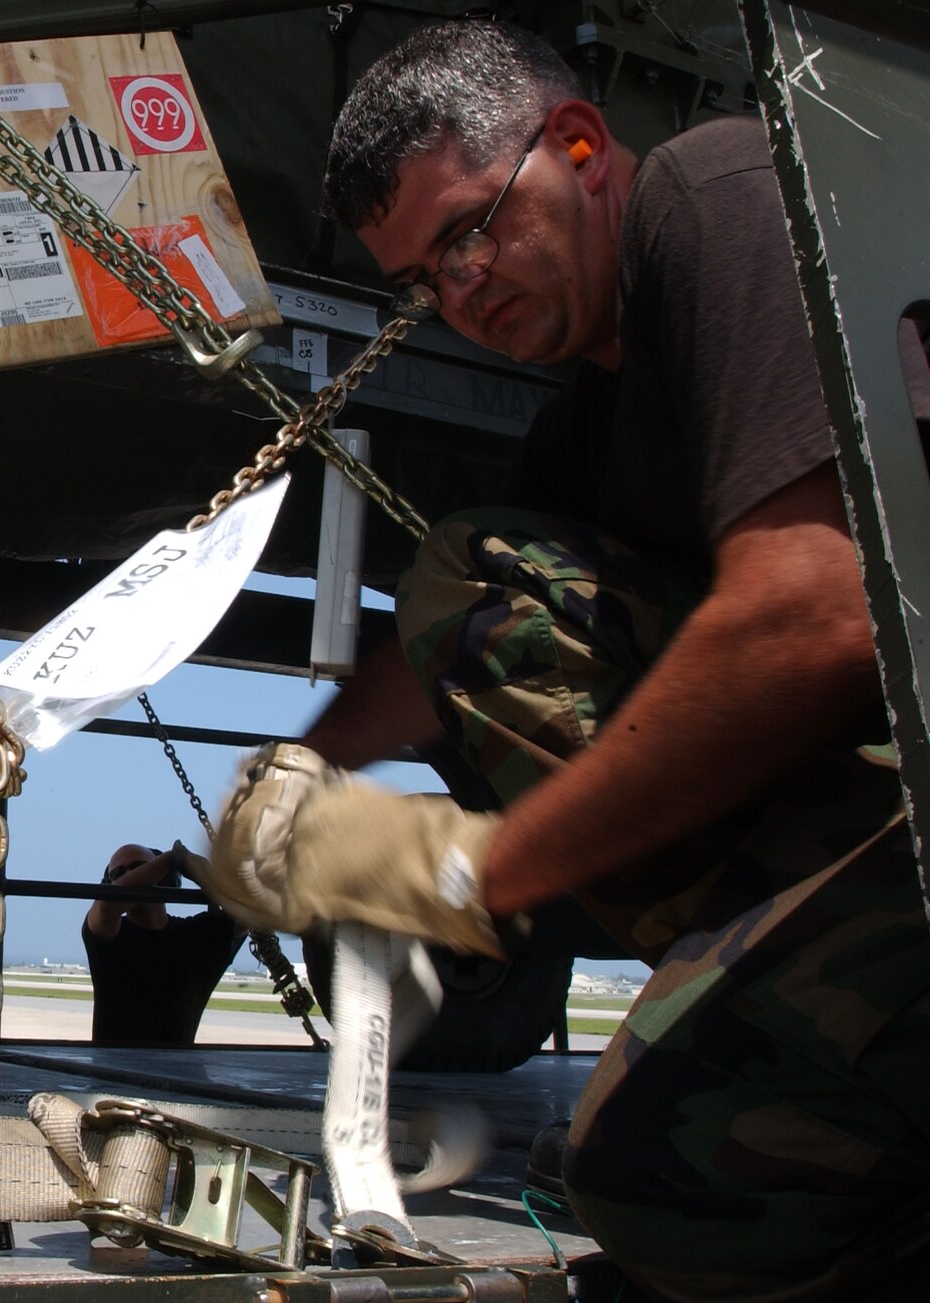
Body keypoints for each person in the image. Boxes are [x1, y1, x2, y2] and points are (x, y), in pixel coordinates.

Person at [198, 20, 930, 1301]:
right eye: (424, 280)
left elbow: (817, 610)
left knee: (669, 1177)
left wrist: (465, 868)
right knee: (478, 590)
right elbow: (437, 653)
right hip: (870, 803)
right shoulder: (592, 426)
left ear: (579, 146)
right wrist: (299, 767)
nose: (460, 293)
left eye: (468, 233)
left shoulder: (723, 194)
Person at [82, 842, 243, 1046]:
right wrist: (170, 860)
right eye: (119, 873)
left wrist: (204, 874)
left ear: (166, 878)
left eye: (140, 867)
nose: (130, 874)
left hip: (179, 1069)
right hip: (115, 1070)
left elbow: (250, 910)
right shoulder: (108, 934)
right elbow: (105, 909)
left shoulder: (195, 936)